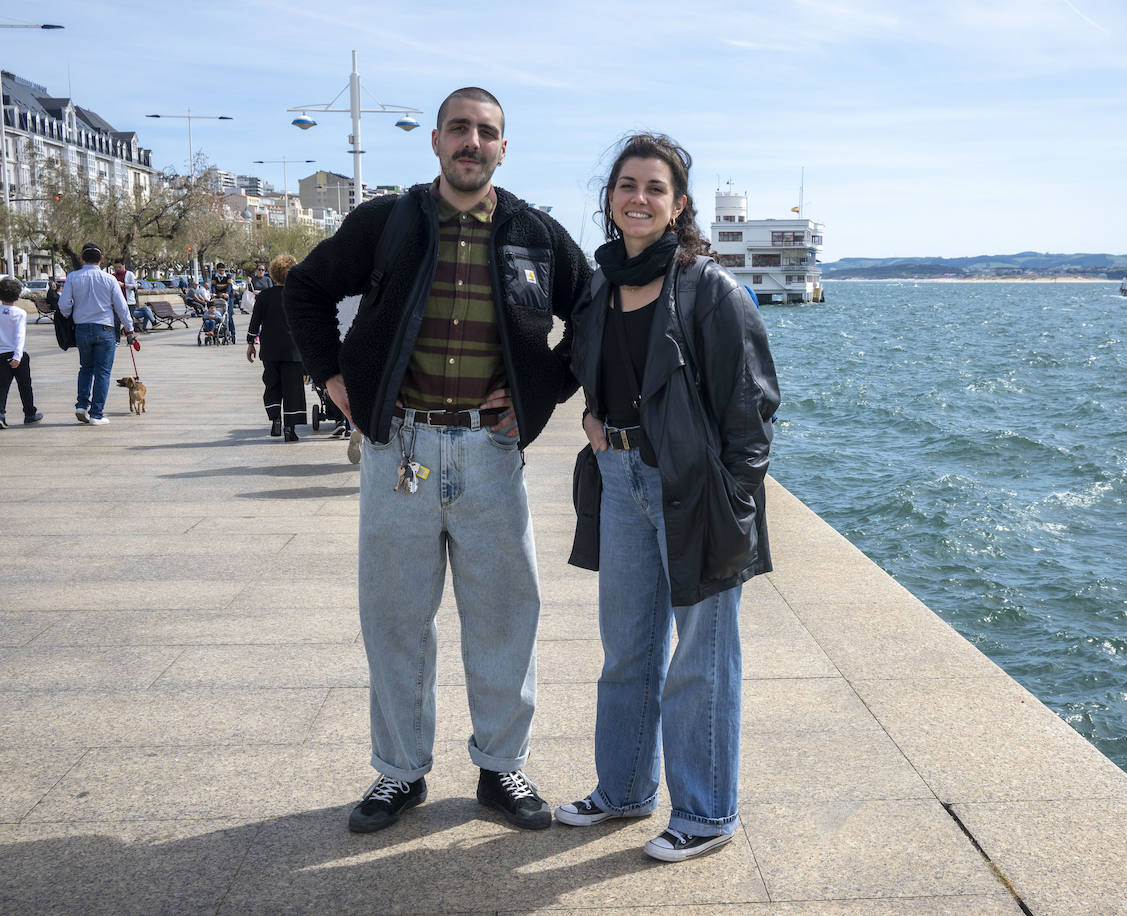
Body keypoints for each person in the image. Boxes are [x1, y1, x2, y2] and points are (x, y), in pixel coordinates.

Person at [284, 86, 591, 835]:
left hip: (490, 456)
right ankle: (398, 774)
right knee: (393, 619)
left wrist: (543, 391)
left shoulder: (536, 233)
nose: (472, 143)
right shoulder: (386, 222)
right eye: (460, 129)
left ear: (503, 148)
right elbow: (307, 288)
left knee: (505, 617)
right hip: (402, 450)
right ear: (435, 141)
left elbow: (592, 314)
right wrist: (331, 381)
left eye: (487, 132)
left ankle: (500, 765)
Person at [556, 133, 779, 862]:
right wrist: (593, 416)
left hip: (694, 492)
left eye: (656, 187)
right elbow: (592, 369)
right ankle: (622, 790)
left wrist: (735, 512)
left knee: (701, 661)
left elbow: (752, 415)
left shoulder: (708, 287)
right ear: (610, 198)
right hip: (619, 481)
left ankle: (707, 814)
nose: (640, 198)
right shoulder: (601, 284)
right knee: (627, 649)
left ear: (678, 204)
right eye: (628, 185)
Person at [57, 243, 137, 425]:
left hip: (82, 328)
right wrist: (129, 329)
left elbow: (63, 305)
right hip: (105, 328)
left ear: (82, 258)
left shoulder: (72, 277)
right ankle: (96, 414)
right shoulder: (109, 279)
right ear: (101, 259)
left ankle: (81, 405)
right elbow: (121, 306)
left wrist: (70, 313)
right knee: (102, 372)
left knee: (85, 368)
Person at [246, 254, 306, 441]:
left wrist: (250, 344)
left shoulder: (264, 296)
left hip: (270, 348)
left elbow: (255, 321)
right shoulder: (298, 296)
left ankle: (275, 421)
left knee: (272, 384)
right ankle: (290, 429)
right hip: (293, 350)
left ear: (273, 274)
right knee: (293, 388)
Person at [0, 277, 42, 427]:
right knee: (24, 385)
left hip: (1, 354)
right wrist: (17, 356)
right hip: (18, 354)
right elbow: (20, 335)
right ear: (17, 295)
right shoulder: (19, 313)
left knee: (2, 386)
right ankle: (30, 413)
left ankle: (1, 414)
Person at [113, 259, 155, 332]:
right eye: (116, 267)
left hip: (129, 302)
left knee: (129, 320)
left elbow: (135, 286)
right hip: (117, 301)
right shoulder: (113, 275)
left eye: (119, 267)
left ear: (123, 266)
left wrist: (123, 285)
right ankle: (117, 339)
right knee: (116, 320)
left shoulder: (129, 274)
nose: (117, 269)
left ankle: (130, 336)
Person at [210, 263, 237, 338]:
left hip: (228, 297)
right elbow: (213, 286)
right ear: (217, 270)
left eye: (223, 270)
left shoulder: (228, 276)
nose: (221, 272)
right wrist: (213, 293)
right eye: (220, 270)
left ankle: (233, 333)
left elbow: (229, 286)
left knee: (229, 315)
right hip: (218, 296)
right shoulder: (214, 276)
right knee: (216, 313)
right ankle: (215, 330)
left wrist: (227, 293)